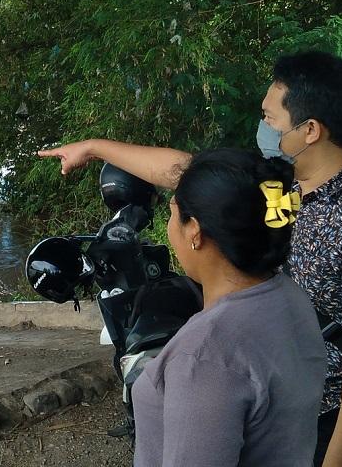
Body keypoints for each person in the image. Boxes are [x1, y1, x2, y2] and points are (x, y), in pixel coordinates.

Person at [39, 51, 342, 467]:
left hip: (316, 424)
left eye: (270, 118)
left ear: (311, 130)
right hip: (254, 393)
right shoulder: (283, 186)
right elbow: (192, 176)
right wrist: (96, 148)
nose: (262, 127)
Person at [132, 148, 326, 466]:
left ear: (194, 230)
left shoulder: (206, 356)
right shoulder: (287, 296)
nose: (170, 227)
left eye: (172, 213)